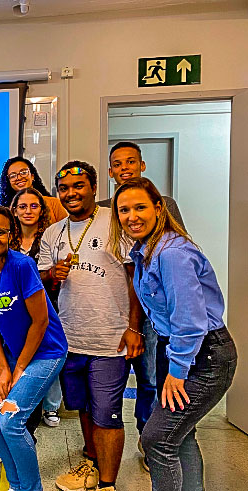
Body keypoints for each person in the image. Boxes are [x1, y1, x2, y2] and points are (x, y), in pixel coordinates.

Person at [109, 177, 236, 491]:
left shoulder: (171, 253)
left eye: (140, 207)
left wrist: (177, 372)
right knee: (180, 436)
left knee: (157, 439)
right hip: (176, 349)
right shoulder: (146, 251)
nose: (131, 216)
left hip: (203, 355)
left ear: (158, 208)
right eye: (124, 210)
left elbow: (189, 322)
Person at [39, 161, 144, 491]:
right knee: (83, 408)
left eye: (78, 186)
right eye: (64, 189)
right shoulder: (53, 232)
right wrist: (51, 274)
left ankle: (107, 485)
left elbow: (135, 279)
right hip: (70, 340)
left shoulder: (114, 222)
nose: (71, 193)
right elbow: (40, 280)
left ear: (94, 188)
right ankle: (92, 464)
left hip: (110, 340)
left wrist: (134, 328)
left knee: (107, 414)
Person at [0, 205, 67, 491]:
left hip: (45, 352)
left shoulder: (22, 265)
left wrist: (18, 368)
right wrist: (3, 367)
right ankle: (16, 485)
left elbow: (41, 321)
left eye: (0, 231)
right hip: (10, 352)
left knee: (10, 420)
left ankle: (30, 488)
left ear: (11, 235)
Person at [98, 140, 186, 470]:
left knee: (150, 378)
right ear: (110, 171)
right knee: (109, 381)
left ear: (142, 165)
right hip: (114, 308)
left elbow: (176, 247)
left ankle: (150, 439)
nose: (125, 168)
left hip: (151, 311)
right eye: (118, 164)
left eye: (130, 162)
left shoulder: (165, 204)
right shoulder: (102, 209)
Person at [10, 188, 63, 428]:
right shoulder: (6, 238)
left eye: (34, 206)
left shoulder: (51, 237)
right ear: (14, 211)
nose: (28, 211)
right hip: (13, 310)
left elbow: (50, 276)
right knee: (19, 358)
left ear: (42, 210)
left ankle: (50, 406)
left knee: (46, 355)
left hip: (46, 305)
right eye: (22, 206)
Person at [0, 157, 67, 223]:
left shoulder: (53, 204)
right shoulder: (7, 212)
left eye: (23, 172)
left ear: (32, 176)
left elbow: (66, 228)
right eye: (13, 176)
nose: (19, 178)